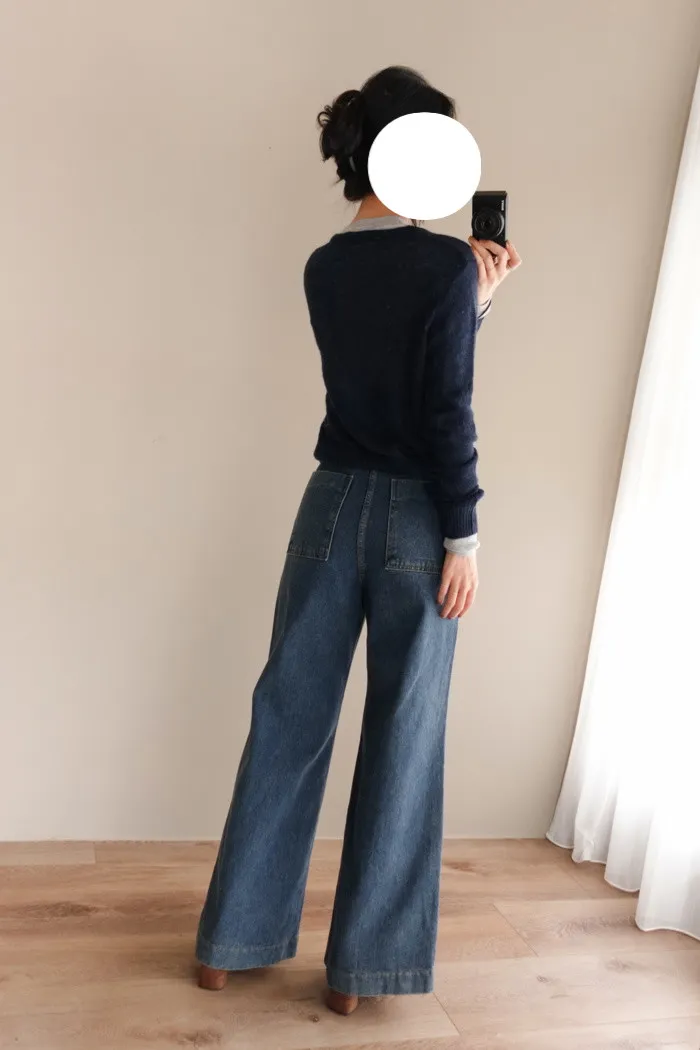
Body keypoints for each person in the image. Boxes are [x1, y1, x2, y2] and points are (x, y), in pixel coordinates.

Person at [194, 65, 521, 1016]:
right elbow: (443, 406)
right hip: (420, 516)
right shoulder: (446, 266)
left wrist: (469, 302)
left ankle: (228, 946)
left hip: (329, 505)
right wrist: (464, 537)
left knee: (287, 719)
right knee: (403, 738)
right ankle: (359, 975)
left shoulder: (324, 265)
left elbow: (380, 373)